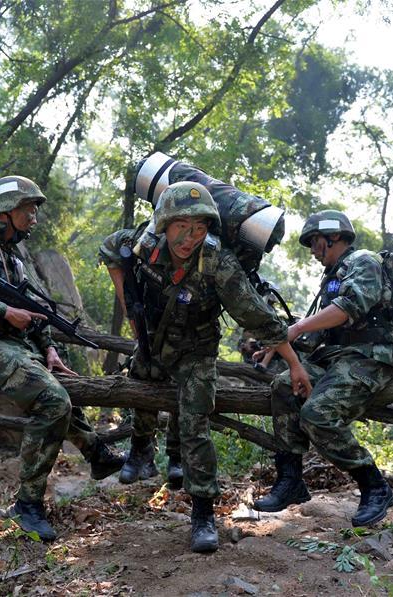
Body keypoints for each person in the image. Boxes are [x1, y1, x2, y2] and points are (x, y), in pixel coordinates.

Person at [99, 181, 312, 553]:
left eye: (199, 229)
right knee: (141, 385)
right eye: (182, 226)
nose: (189, 237)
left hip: (196, 349)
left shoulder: (217, 261)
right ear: (164, 223)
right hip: (153, 341)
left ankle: (202, 515)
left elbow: (257, 315)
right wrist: (127, 301)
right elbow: (109, 251)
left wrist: (293, 363)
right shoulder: (144, 244)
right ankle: (141, 449)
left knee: (195, 421)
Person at [0, 175, 124, 540]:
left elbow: (29, 311)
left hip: (14, 343)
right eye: (28, 209)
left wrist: (49, 346)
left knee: (62, 388)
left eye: (35, 210)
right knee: (52, 401)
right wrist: (1, 310)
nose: (34, 217)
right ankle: (28, 505)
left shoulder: (13, 257)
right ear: (5, 211)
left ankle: (96, 453)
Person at [253, 210, 393, 527]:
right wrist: (275, 344)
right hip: (336, 358)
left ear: (331, 237)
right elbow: (316, 334)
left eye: (314, 242)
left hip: (368, 358)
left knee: (316, 414)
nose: (312, 250)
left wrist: (296, 329)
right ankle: (291, 480)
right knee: (282, 386)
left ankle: (374, 486)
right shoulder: (331, 279)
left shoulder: (363, 260)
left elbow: (349, 308)